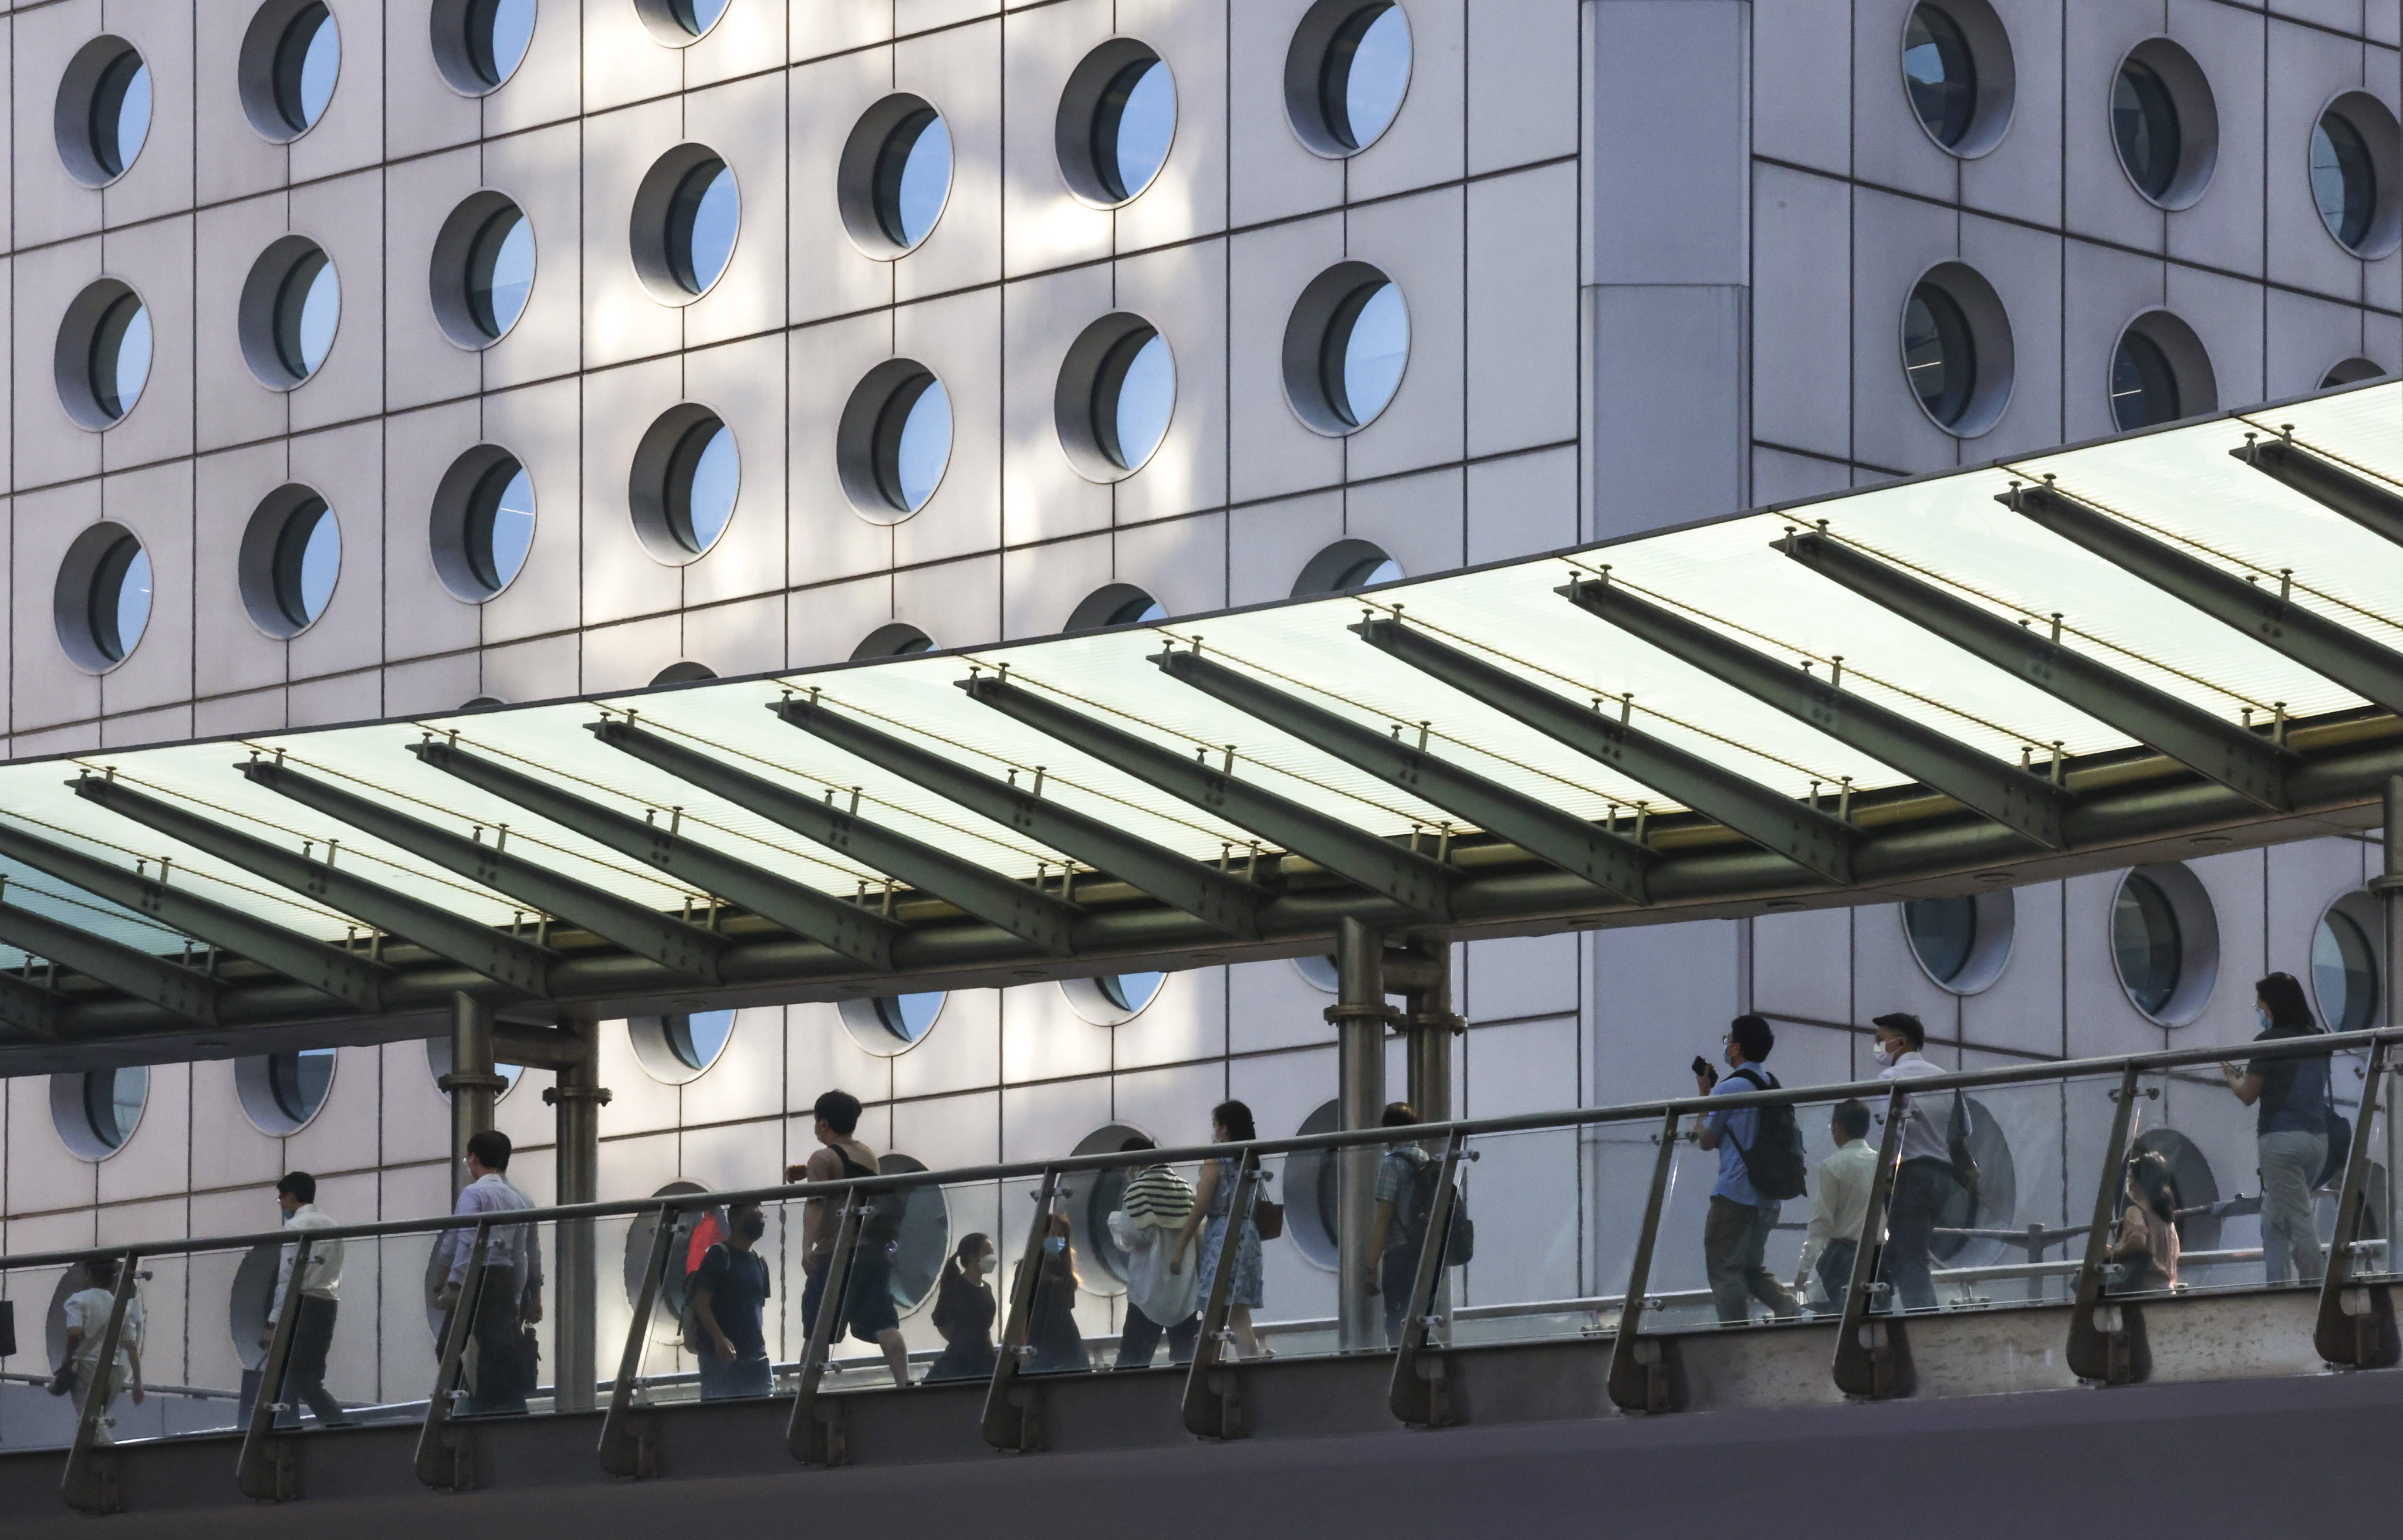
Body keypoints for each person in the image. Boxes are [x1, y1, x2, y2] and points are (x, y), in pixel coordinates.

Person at [789, 1089, 912, 1388]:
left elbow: (816, 1204)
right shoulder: (868, 1155)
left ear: (823, 1124)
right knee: (884, 1323)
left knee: (818, 1328)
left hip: (835, 1253)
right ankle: (903, 1382)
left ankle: (806, 1391)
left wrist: (807, 1247)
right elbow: (846, 1171)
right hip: (870, 1252)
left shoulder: (821, 1157)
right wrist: (807, 1171)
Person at [2222, 971, 2333, 1285]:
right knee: (2273, 1218)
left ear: (2273, 1006)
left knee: (2298, 1220)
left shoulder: (2267, 1042)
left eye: (2261, 1007)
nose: (2260, 1013)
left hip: (2280, 1142)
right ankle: (2277, 1284)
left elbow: (2248, 1095)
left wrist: (2229, 1074)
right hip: (2317, 1141)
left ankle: (2315, 1292)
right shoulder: (2320, 1040)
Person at [1694, 1014, 1802, 1325]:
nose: (1726, 1046)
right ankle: (1791, 1310)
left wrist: (1704, 1095)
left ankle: (1735, 1335)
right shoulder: (1771, 1084)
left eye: (1728, 1040)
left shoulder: (1730, 1088)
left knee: (1724, 1270)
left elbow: (1706, 1139)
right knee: (1752, 1269)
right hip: (1769, 1197)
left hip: (1735, 1196)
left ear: (1737, 1047)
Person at [434, 1129, 543, 1416]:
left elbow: (464, 1241)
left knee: (448, 1346)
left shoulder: (474, 1193)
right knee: (497, 1350)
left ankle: (462, 1403)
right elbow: (523, 1254)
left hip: (475, 1278)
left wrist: (453, 1284)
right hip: (503, 1280)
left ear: (474, 1158)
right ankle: (498, 1407)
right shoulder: (519, 1199)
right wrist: (520, 1295)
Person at [1870, 1011, 1952, 1313]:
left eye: (1881, 1041)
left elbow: (1886, 1132)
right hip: (1942, 1176)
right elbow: (1962, 1130)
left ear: (1900, 1043)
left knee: (1909, 1256)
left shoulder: (1892, 1079)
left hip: (1910, 1175)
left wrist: (1885, 1178)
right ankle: (1891, 1307)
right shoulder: (1944, 1078)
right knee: (1904, 1251)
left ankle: (1924, 1321)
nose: (1877, 1047)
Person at [1174, 1100, 1268, 1359]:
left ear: (1224, 1131)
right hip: (1248, 1235)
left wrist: (1180, 1248)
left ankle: (1207, 1370)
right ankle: (1251, 1365)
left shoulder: (1217, 1160)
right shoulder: (1252, 1159)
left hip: (1222, 1236)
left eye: (1215, 1126)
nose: (1213, 1132)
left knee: (1214, 1313)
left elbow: (1200, 1206)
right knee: (1239, 1315)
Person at [261, 1170, 352, 1427]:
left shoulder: (294, 1228)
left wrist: (272, 1324)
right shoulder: (334, 1227)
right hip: (327, 1303)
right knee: (305, 1375)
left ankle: (333, 1425)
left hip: (300, 1305)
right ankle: (293, 1425)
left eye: (281, 1200)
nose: (282, 1206)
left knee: (295, 1377)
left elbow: (287, 1281)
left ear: (291, 1196)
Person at [1108, 1137, 1200, 1368]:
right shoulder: (1183, 1186)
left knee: (1132, 1361)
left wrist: (1114, 1222)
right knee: (1187, 1361)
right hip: (1185, 1289)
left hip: (1148, 1289)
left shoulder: (1137, 1190)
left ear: (1133, 1162)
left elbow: (1132, 1237)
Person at [1363, 1102, 1437, 1348]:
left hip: (1401, 1253)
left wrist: (1371, 1267)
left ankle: (1402, 1372)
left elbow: (1383, 1219)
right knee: (1419, 1319)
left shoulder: (1391, 1164)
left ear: (1391, 1130)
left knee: (1397, 1322)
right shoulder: (1425, 1160)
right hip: (1426, 1252)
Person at [1793, 1099, 1875, 1314]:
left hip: (1844, 1260)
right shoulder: (1882, 1162)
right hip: (1879, 1258)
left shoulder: (1832, 1166)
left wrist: (1803, 1270)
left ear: (1837, 1128)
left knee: (1835, 1319)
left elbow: (1821, 1224)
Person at [689, 1200, 772, 1399]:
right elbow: (701, 1302)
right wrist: (719, 1338)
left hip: (756, 1357)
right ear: (735, 1220)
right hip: (721, 1360)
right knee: (720, 1421)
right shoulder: (719, 1256)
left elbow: (757, 1307)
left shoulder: (759, 1260)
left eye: (762, 1217)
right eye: (754, 1217)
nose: (760, 1222)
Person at [56, 1257, 143, 1443]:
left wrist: (68, 1357)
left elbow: (75, 1333)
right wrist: (137, 1382)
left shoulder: (78, 1301)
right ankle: (97, 1455)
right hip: (115, 1369)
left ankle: (107, 1456)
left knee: (89, 1420)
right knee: (98, 1418)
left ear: (88, 1274)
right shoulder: (121, 1306)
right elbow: (131, 1346)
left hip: (87, 1367)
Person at [1023, 1211, 1091, 1373]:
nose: (1056, 1238)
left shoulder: (1064, 1268)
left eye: (1061, 1234)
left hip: (1069, 1340)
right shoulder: (1028, 1269)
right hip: (1040, 1340)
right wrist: (1022, 1345)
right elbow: (1020, 1311)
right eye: (1050, 1233)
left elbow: (1066, 1309)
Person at [927, 1234, 999, 1383]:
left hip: (985, 1356)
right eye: (988, 1253)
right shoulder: (956, 1287)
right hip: (961, 1359)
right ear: (973, 1257)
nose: (993, 1257)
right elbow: (940, 1319)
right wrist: (961, 1341)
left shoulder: (987, 1288)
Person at [2110, 1148, 2182, 1293]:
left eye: (2130, 1179)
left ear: (2137, 1183)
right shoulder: (2166, 1218)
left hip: (2143, 1290)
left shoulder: (2135, 1211)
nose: (2129, 1185)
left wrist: (2113, 1254)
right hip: (2167, 1289)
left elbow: (2138, 1243)